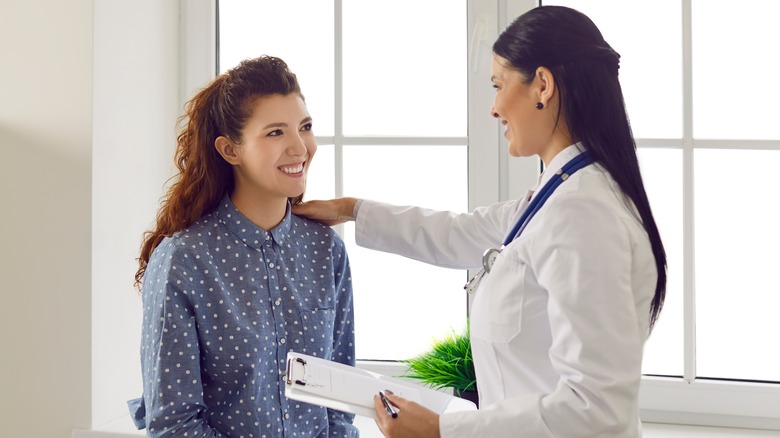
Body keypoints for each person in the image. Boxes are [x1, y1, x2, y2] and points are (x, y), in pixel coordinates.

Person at [293, 5, 666, 438]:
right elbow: (458, 232)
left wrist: (441, 430)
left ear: (542, 85)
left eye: (498, 85)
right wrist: (350, 209)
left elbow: (595, 411)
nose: (493, 108)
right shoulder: (559, 193)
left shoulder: (581, 214)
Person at [128, 56, 358, 437]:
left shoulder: (325, 250)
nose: (300, 147)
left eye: (305, 127)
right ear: (230, 150)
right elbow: (174, 426)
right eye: (275, 133)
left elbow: (339, 406)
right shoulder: (183, 261)